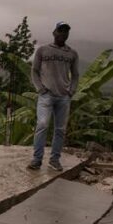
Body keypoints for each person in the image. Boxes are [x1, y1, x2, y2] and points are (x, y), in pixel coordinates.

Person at [27, 21, 79, 171]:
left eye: (66, 31)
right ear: (54, 32)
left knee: (60, 129)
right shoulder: (43, 50)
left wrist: (72, 91)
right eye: (61, 30)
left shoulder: (72, 53)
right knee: (42, 124)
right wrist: (40, 88)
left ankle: (54, 159)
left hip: (64, 96)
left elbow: (75, 75)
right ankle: (37, 159)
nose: (63, 33)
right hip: (46, 95)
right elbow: (34, 71)